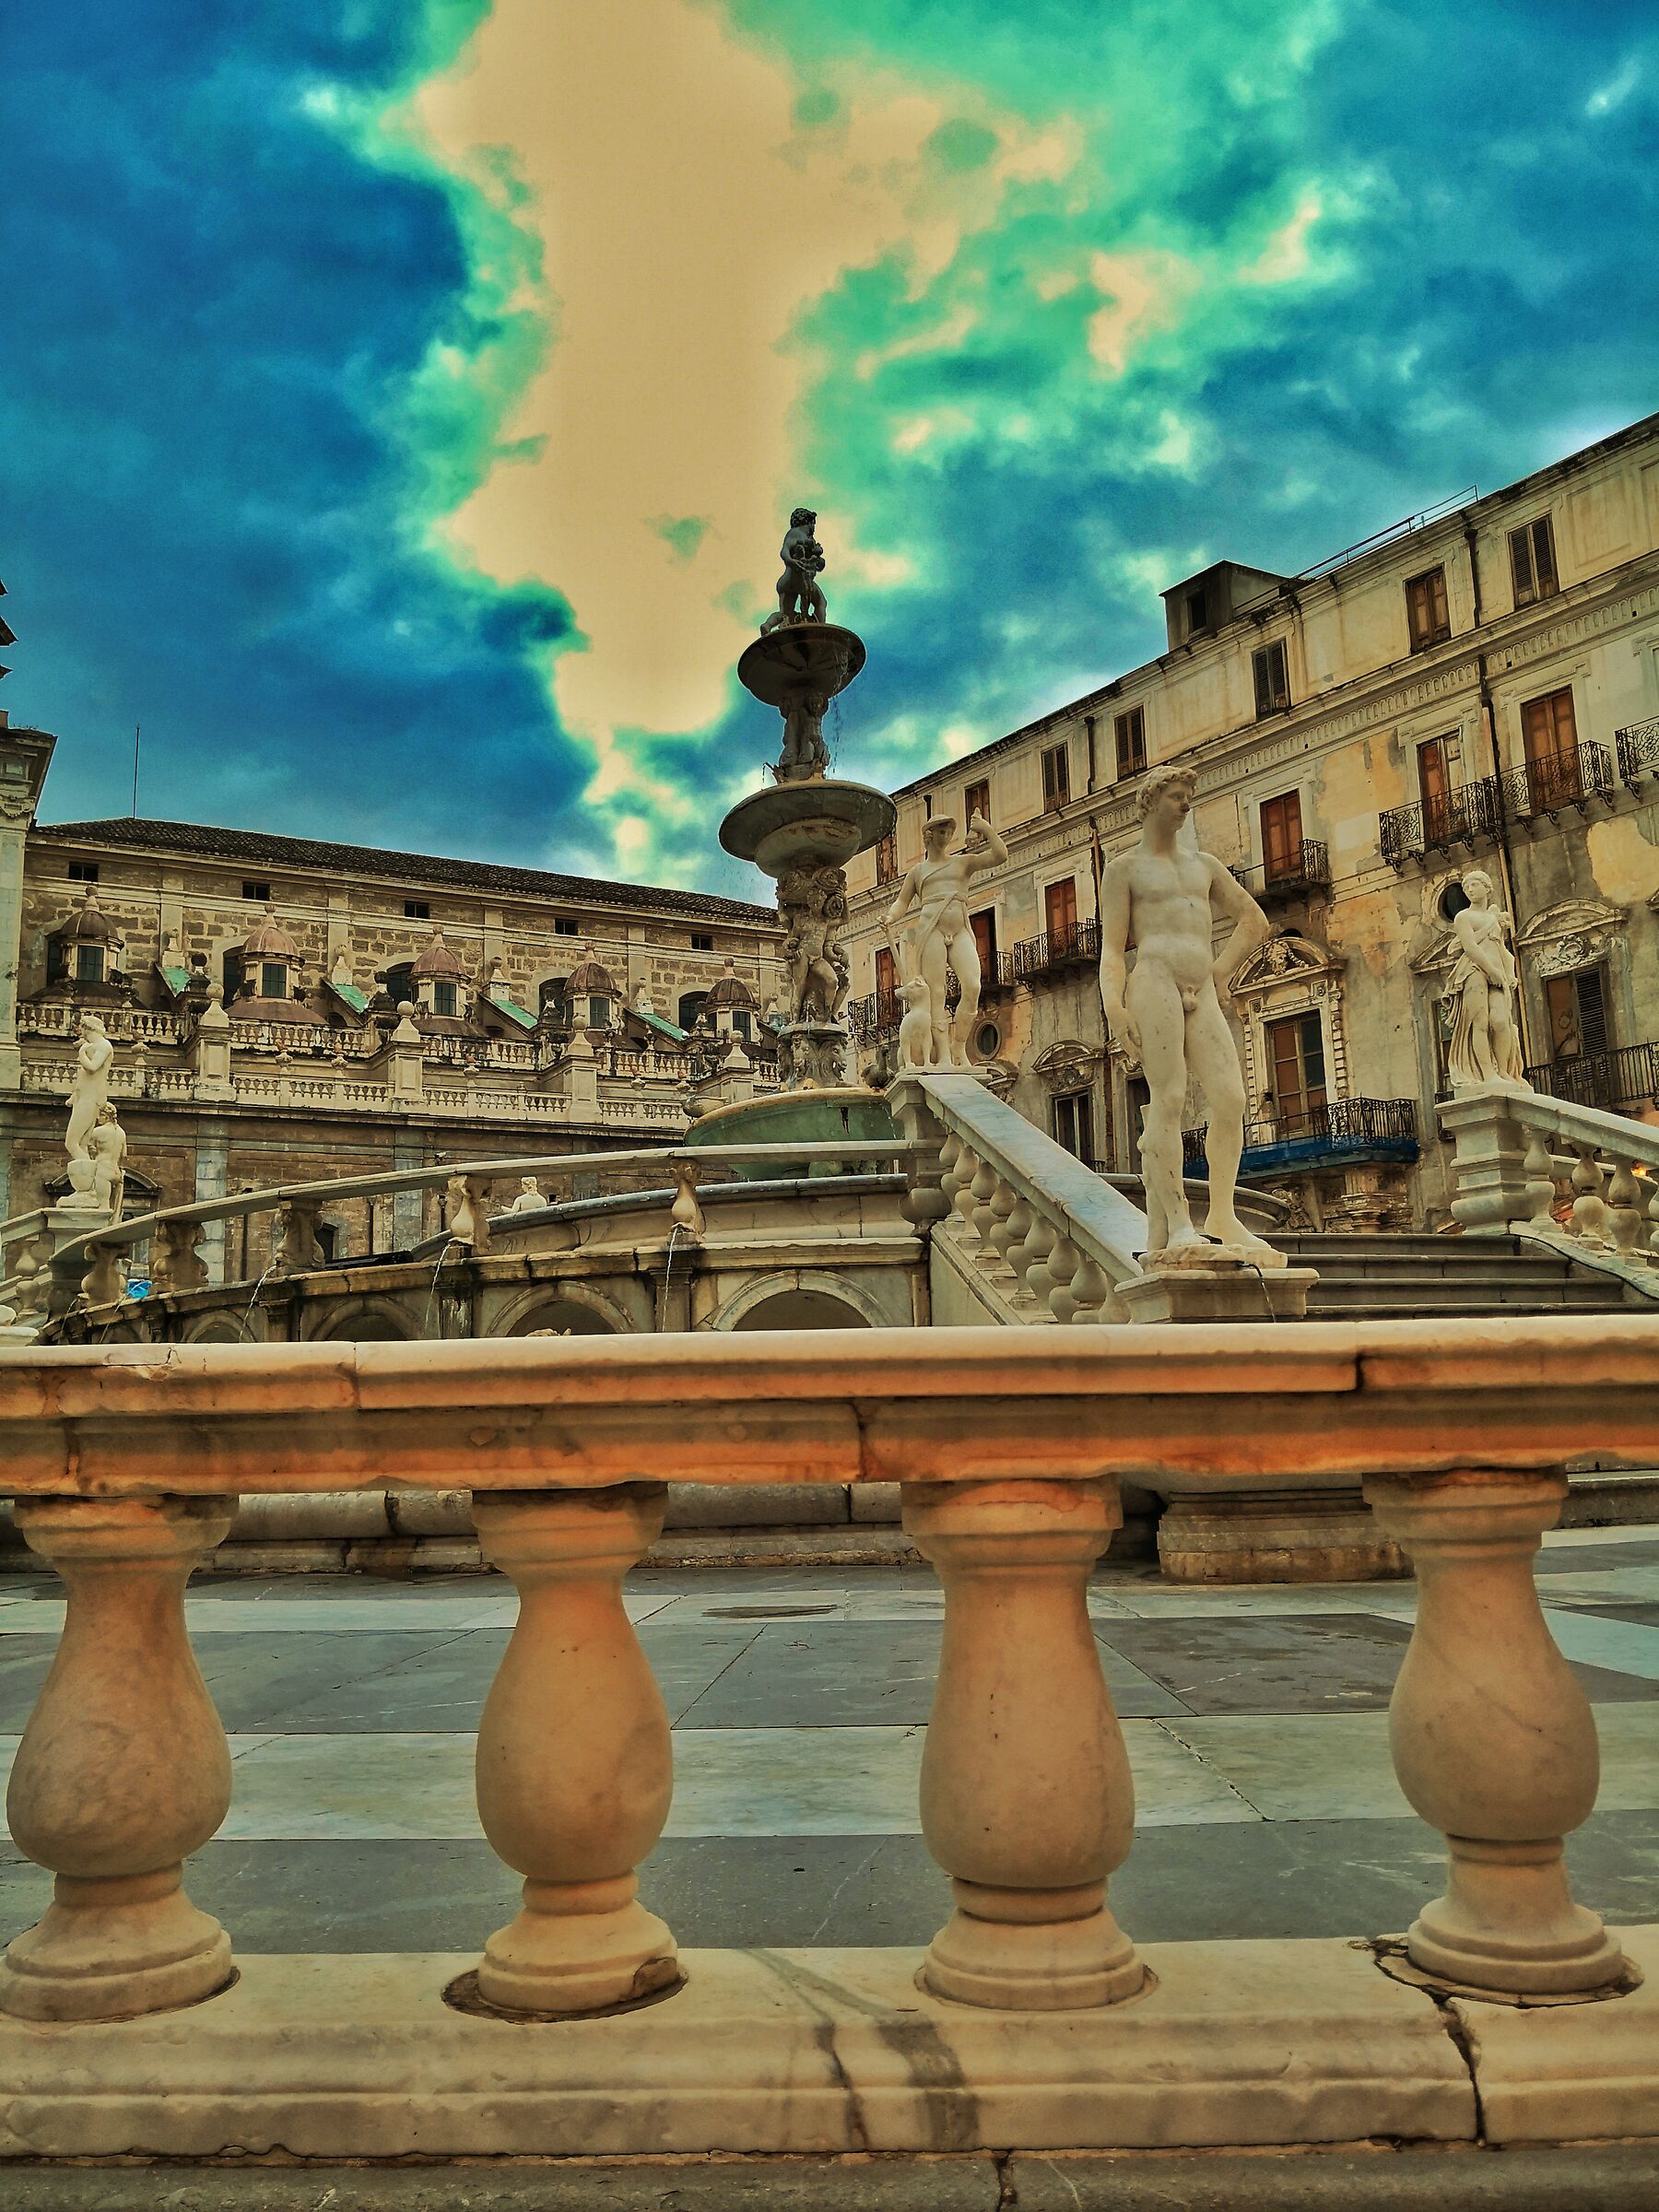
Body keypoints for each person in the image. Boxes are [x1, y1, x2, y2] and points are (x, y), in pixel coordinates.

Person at [1098, 765, 1274, 1259]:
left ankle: (1222, 1214)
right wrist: (1114, 1006)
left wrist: (1221, 971)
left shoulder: (1205, 866)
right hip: (1154, 980)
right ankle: (1178, 1223)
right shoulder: (1124, 869)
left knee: (1231, 1099)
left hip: (1202, 988)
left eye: (1187, 797)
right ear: (1151, 802)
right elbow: (1112, 949)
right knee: (1169, 1098)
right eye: (1177, 796)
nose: (1185, 805)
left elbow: (1253, 919)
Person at [885, 811, 1008, 1067]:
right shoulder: (918, 872)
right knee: (936, 994)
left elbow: (1000, 855)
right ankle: (942, 1055)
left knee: (973, 986)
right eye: (942, 832)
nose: (947, 836)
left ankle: (958, 1047)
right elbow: (902, 902)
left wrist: (985, 828)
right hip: (931, 929)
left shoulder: (963, 863)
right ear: (929, 836)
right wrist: (890, 917)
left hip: (960, 928)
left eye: (949, 832)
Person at [1447, 868, 1529, 1091]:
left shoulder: (1493, 919)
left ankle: (1503, 1071)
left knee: (1501, 1021)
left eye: (1474, 884)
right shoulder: (1463, 917)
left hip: (1498, 973)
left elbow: (1503, 950)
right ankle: (1488, 1073)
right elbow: (1470, 948)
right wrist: (1491, 970)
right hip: (1474, 970)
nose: (1469, 890)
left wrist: (1509, 974)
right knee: (1480, 1022)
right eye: (1466, 887)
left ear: (1487, 888)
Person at [759, 509, 827, 632]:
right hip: (800, 580)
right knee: (821, 602)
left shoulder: (801, 537)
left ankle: (767, 625)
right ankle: (821, 629)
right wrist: (790, 561)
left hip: (786, 581)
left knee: (785, 614)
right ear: (810, 522)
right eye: (813, 524)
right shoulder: (796, 533)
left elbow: (818, 565)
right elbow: (784, 551)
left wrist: (818, 561)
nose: (814, 528)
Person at [65, 1013, 114, 1166]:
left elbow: (92, 1067)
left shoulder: (104, 1045)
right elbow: (84, 1077)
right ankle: (88, 1177)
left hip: (91, 1098)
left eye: (81, 1028)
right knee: (81, 1144)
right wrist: (74, 1096)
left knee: (71, 1143)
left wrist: (81, 1053)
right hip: (84, 1097)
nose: (80, 1032)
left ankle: (87, 1173)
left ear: (87, 1029)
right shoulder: (92, 1046)